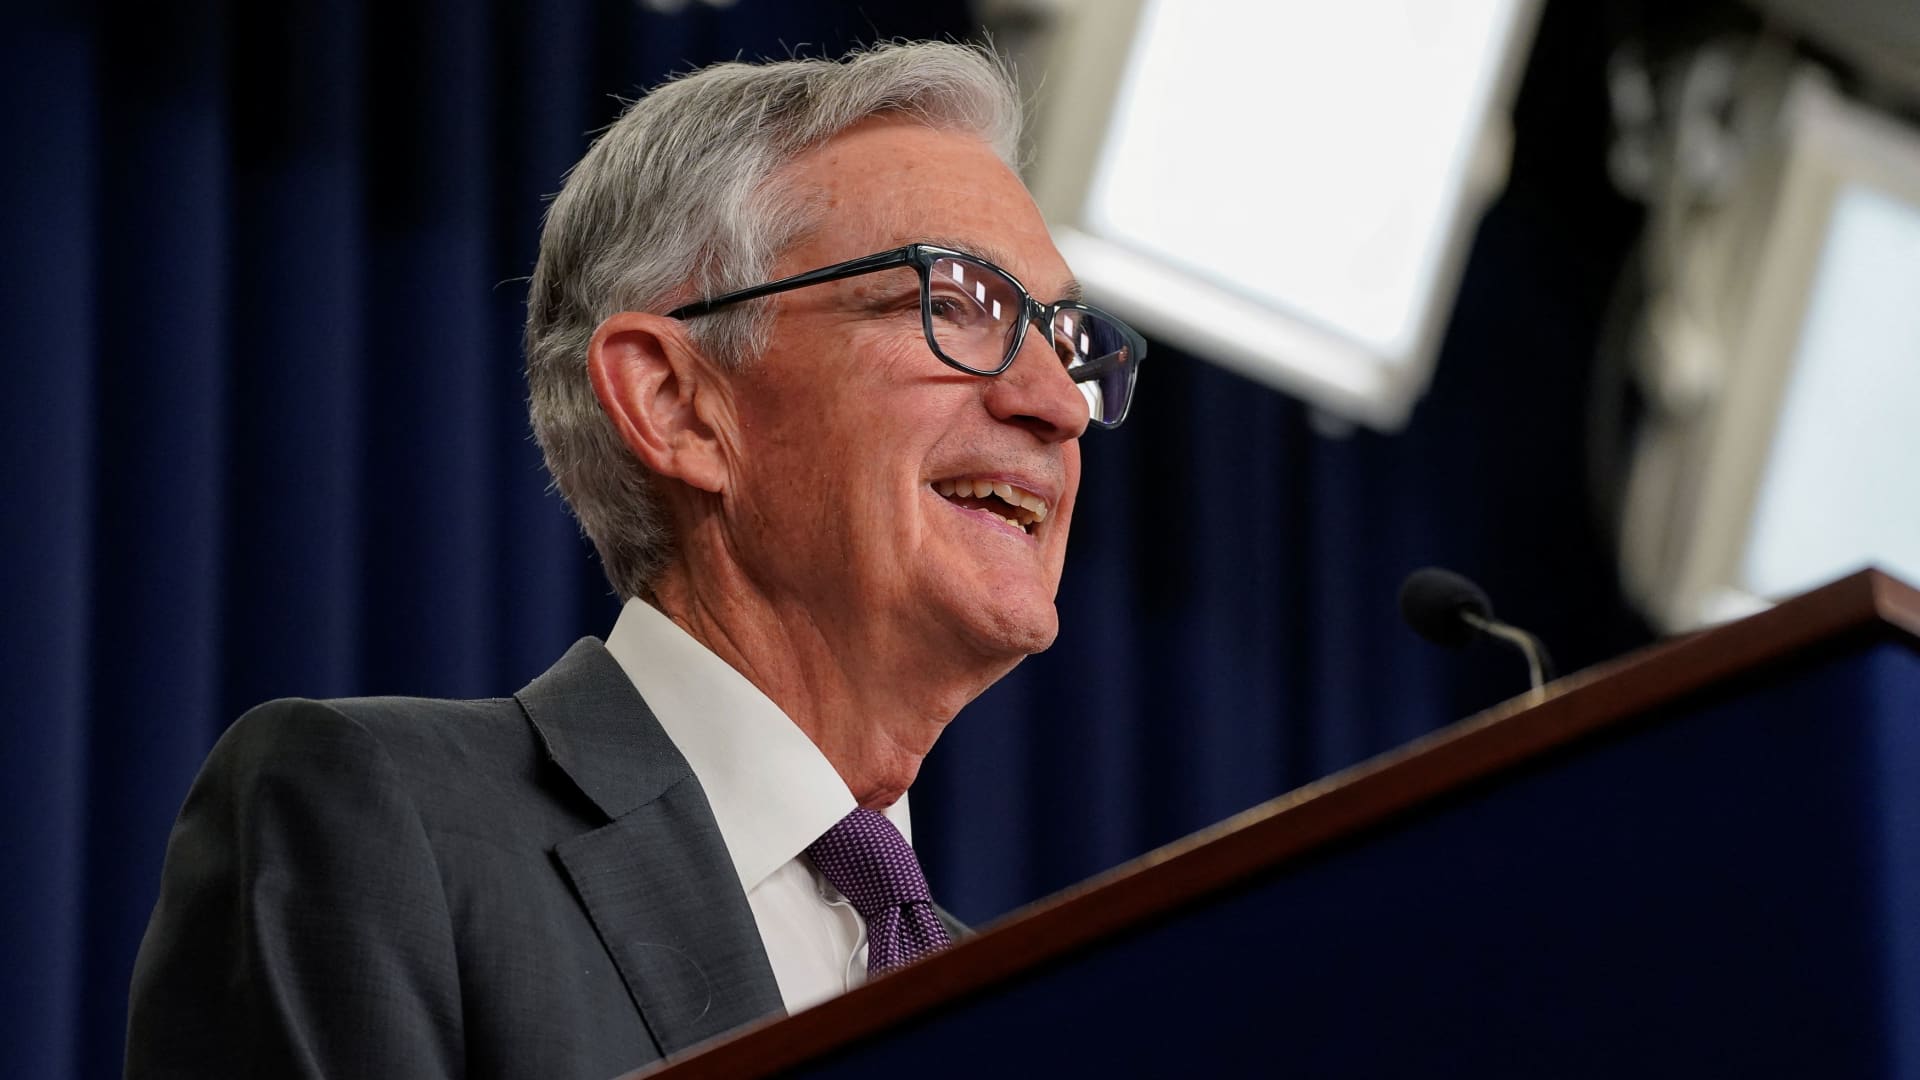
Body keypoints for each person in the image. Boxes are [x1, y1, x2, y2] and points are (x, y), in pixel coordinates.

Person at [126, 40, 1144, 1080]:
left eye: (1063, 338)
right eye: (955, 303)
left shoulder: (1019, 1007)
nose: (1058, 404)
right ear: (675, 403)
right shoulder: (385, 828)